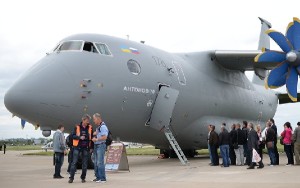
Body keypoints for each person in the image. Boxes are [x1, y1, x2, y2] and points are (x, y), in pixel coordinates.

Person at [68, 114, 94, 183]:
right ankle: (71, 178)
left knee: (85, 164)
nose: (88, 122)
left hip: (85, 148)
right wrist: (79, 137)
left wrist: (91, 147)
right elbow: (72, 136)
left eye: (88, 121)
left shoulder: (90, 127)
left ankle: (83, 178)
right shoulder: (77, 127)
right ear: (83, 120)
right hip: (77, 147)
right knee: (74, 163)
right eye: (87, 121)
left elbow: (92, 138)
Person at [92, 113, 108, 183]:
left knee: (100, 162)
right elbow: (99, 134)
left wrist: (97, 139)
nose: (93, 121)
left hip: (100, 145)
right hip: (96, 145)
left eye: (94, 119)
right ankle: (98, 177)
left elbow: (105, 137)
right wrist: (95, 134)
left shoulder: (103, 127)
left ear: (98, 119)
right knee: (96, 162)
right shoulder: (99, 127)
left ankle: (103, 178)